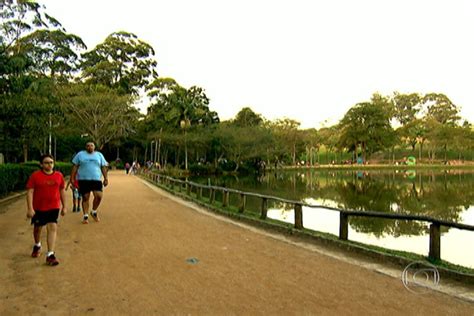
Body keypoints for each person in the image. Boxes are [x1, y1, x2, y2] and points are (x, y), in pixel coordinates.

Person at [26, 154, 66, 266]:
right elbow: (30, 191)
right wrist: (30, 208)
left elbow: (62, 190)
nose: (49, 165)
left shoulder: (59, 176)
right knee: (38, 228)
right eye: (46, 162)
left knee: (52, 227)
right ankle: (37, 244)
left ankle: (50, 254)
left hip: (53, 207)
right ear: (41, 164)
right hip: (38, 208)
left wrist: (64, 206)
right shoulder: (35, 176)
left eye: (51, 162)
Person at [70, 142, 109, 224]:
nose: (90, 147)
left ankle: (94, 211)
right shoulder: (80, 154)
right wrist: (72, 178)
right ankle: (85, 216)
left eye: (91, 145)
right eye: (88, 146)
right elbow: (75, 166)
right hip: (83, 180)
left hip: (96, 179)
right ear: (85, 147)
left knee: (99, 196)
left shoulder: (99, 155)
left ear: (94, 147)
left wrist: (106, 178)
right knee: (85, 197)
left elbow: (103, 167)